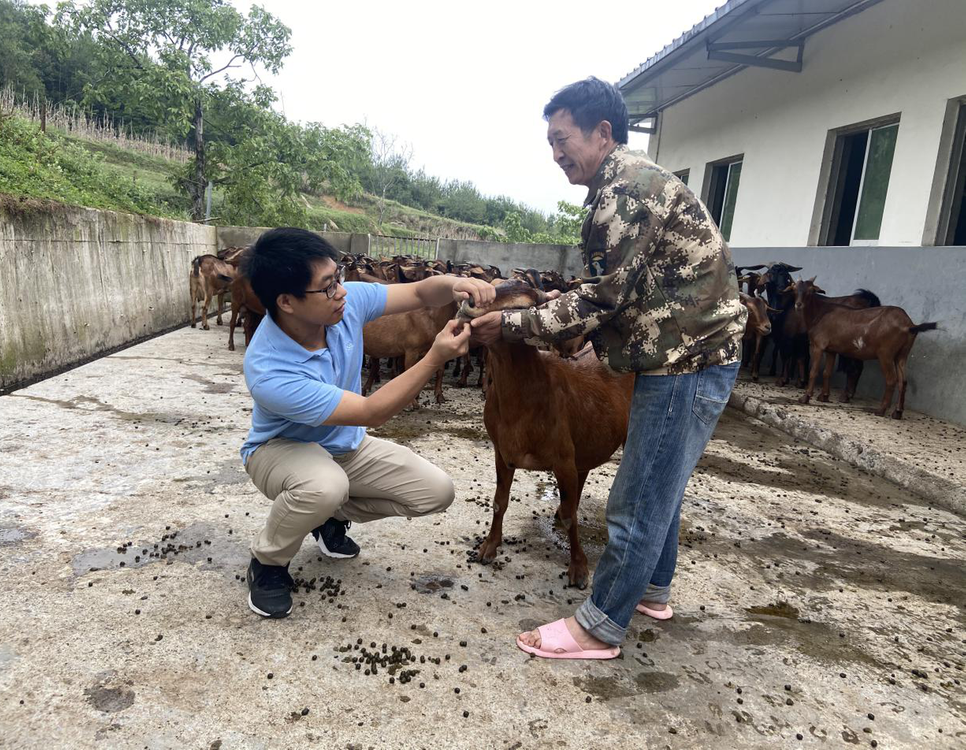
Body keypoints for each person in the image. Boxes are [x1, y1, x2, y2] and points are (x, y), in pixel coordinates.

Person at [470, 77, 747, 659]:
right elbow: (625, 288)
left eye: (562, 139)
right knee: (661, 484)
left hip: (687, 361)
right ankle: (653, 590)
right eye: (549, 143)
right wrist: (578, 319)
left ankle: (599, 626)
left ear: (602, 132)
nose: (555, 153)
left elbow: (602, 298)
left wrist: (513, 325)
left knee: (637, 496)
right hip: (687, 354)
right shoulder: (626, 184)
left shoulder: (625, 192)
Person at [239, 228, 492, 618]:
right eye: (327, 286)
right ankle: (268, 562)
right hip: (279, 451)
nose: (341, 291)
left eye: (338, 277)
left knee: (435, 492)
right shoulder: (270, 369)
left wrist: (456, 284)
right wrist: (434, 357)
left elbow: (421, 293)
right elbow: (373, 411)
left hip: (345, 446)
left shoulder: (344, 304)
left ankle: (328, 517)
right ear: (286, 301)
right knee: (324, 486)